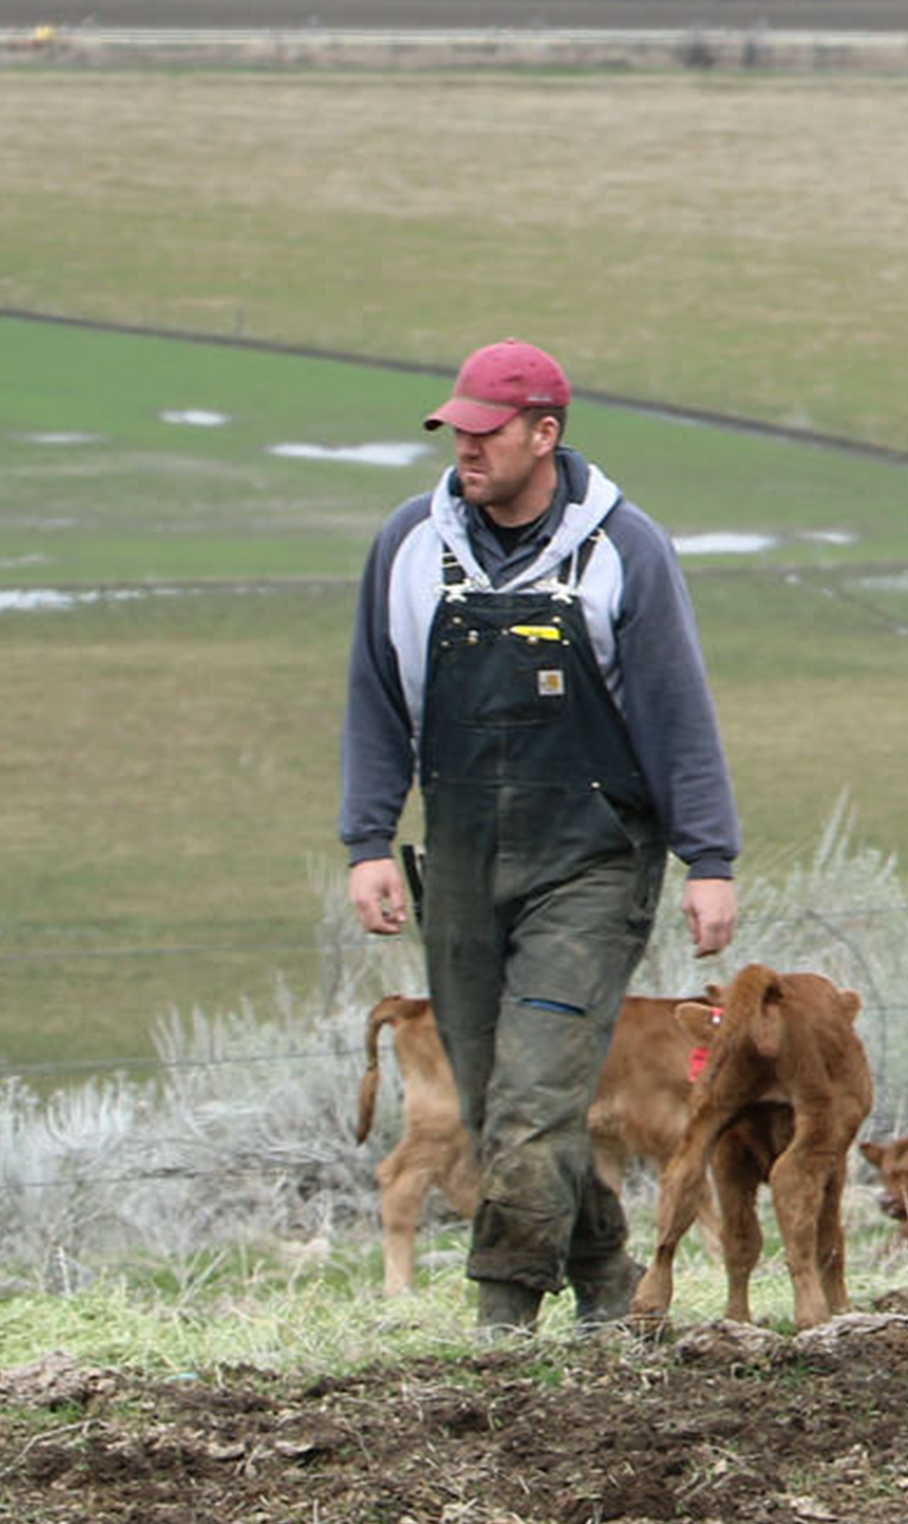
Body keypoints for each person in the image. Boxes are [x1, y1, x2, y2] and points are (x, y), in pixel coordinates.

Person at [339, 339, 743, 1335]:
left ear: (544, 434)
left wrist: (709, 858)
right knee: (492, 1104)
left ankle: (502, 1316)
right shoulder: (409, 544)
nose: (464, 449)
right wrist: (368, 840)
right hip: (466, 861)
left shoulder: (622, 550)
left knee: (534, 1094)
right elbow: (376, 698)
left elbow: (675, 710)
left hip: (594, 863)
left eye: (484, 431)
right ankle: (605, 1285)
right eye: (456, 431)